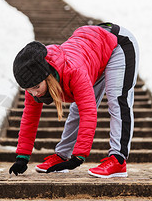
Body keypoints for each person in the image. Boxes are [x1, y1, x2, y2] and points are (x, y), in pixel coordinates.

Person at [9, 23, 139, 178]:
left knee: (117, 100)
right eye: (29, 90)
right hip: (93, 50)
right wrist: (22, 157)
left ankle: (118, 159)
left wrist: (78, 157)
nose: (35, 94)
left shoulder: (73, 71)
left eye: (36, 87)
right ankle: (61, 155)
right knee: (76, 108)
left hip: (118, 44)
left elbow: (88, 112)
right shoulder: (33, 78)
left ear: (47, 76)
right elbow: (29, 118)